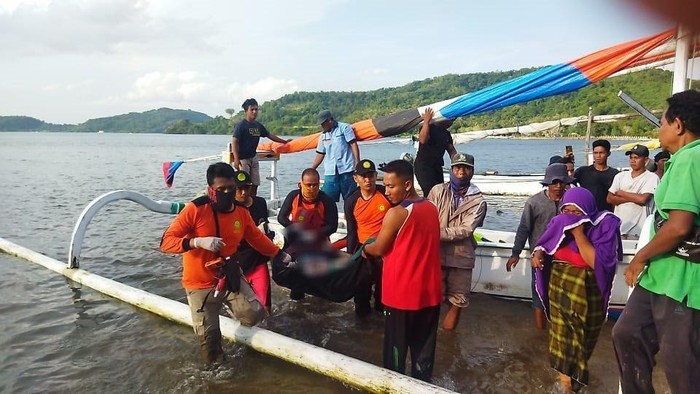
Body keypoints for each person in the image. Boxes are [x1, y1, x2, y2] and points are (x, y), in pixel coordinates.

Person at [612, 90, 700, 394]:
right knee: (627, 333)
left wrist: (639, 258)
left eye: (661, 123)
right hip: (659, 276)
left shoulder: (692, 158)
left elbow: (678, 227)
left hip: (683, 281)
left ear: (678, 125)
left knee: (682, 366)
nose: (658, 130)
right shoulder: (679, 160)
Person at [160, 162, 291, 363]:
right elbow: (166, 242)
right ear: (210, 190)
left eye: (231, 188)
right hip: (200, 282)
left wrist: (279, 254)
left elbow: (256, 238)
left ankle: (229, 310)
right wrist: (196, 242)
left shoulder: (240, 212)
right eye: (221, 190)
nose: (227, 193)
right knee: (210, 343)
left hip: (229, 273)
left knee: (255, 315)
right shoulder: (195, 209)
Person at [531, 187, 623, 392]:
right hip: (560, 285)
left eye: (577, 213)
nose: (571, 217)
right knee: (562, 334)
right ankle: (565, 383)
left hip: (588, 290)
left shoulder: (604, 226)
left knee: (583, 337)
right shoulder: (559, 222)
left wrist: (579, 234)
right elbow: (545, 243)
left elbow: (598, 263)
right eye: (567, 212)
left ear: (588, 209)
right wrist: (537, 254)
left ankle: (576, 376)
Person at [363, 160, 442, 382]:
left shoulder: (397, 213)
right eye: (385, 186)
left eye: (391, 186)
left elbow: (378, 248)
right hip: (430, 294)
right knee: (423, 357)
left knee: (394, 357)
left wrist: (365, 250)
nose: (386, 192)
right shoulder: (431, 206)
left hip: (402, 296)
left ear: (407, 184)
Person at [506, 163, 574, 330]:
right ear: (548, 183)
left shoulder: (571, 202)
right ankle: (540, 332)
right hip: (540, 257)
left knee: (563, 294)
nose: (558, 186)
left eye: (562, 183)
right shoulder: (534, 202)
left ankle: (559, 329)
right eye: (555, 182)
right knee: (539, 293)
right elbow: (524, 228)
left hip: (565, 256)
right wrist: (515, 253)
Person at [427, 153, 487, 330]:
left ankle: (448, 340)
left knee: (458, 301)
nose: (461, 171)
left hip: (461, 257)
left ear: (472, 171)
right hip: (435, 254)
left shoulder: (478, 201)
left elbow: (467, 229)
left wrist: (433, 233)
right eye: (458, 167)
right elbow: (427, 215)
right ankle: (432, 338)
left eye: (466, 167)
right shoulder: (437, 191)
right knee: (432, 298)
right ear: (451, 170)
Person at [277, 168, 338, 300]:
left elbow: (333, 226)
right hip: (297, 245)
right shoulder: (293, 196)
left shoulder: (327, 201)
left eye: (315, 185)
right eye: (308, 185)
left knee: (321, 284)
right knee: (296, 283)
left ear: (319, 185)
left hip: (319, 245)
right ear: (301, 184)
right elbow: (281, 217)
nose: (311, 188)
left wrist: (313, 235)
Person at [344, 159, 390, 316]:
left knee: (384, 290)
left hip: (386, 249)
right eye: (363, 176)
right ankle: (362, 321)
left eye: (371, 175)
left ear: (376, 176)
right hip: (363, 250)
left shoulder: (386, 194)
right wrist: (350, 256)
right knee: (361, 289)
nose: (368, 180)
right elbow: (351, 231)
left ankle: (381, 313)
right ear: (355, 178)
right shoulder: (351, 201)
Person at [232, 170, 274, 311]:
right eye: (239, 189)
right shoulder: (229, 208)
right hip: (237, 263)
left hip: (257, 260)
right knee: (240, 308)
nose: (243, 193)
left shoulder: (260, 203)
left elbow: (265, 225)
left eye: (247, 188)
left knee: (265, 305)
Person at [231, 98, 290, 196]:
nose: (254, 112)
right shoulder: (241, 125)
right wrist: (236, 159)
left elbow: (269, 135)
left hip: (254, 158)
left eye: (256, 109)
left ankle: (253, 203)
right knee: (244, 184)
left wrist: (284, 142)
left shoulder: (258, 126)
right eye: (252, 109)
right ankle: (243, 206)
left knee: (255, 183)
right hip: (243, 159)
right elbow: (234, 141)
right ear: (246, 111)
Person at [607, 144, 659, 239]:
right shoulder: (620, 176)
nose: (633, 160)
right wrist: (633, 197)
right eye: (631, 158)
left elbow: (642, 199)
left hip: (639, 231)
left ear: (646, 160)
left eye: (636, 158)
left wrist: (622, 193)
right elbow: (609, 199)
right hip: (620, 229)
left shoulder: (651, 177)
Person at [311, 110, 360, 202]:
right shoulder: (323, 136)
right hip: (330, 173)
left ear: (330, 120)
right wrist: (312, 168)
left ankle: (348, 216)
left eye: (323, 123)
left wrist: (357, 163)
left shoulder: (344, 128)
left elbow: (353, 144)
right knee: (327, 200)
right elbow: (320, 153)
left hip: (347, 170)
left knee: (350, 199)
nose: (322, 126)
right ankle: (330, 216)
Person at [414, 107, 457, 197]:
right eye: (450, 120)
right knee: (430, 192)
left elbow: (451, 150)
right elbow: (423, 140)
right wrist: (426, 121)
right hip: (424, 166)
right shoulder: (428, 127)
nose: (450, 123)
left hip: (437, 166)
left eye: (453, 121)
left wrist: (456, 163)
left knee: (440, 193)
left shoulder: (446, 134)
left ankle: (438, 210)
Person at [574, 139, 619, 211]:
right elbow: (567, 182)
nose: (598, 156)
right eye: (595, 153)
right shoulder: (583, 171)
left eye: (601, 153)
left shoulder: (615, 174)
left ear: (608, 153)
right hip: (586, 212)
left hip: (606, 213)